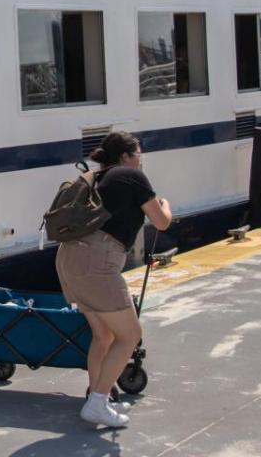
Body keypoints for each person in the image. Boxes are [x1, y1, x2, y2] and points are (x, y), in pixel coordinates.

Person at [56, 131, 172, 428]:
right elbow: (160, 221)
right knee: (130, 336)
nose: (140, 159)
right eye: (138, 154)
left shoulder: (98, 177)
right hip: (98, 262)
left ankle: (99, 399)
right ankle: (97, 402)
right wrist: (166, 205)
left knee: (104, 336)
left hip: (70, 258)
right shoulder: (132, 177)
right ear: (125, 156)